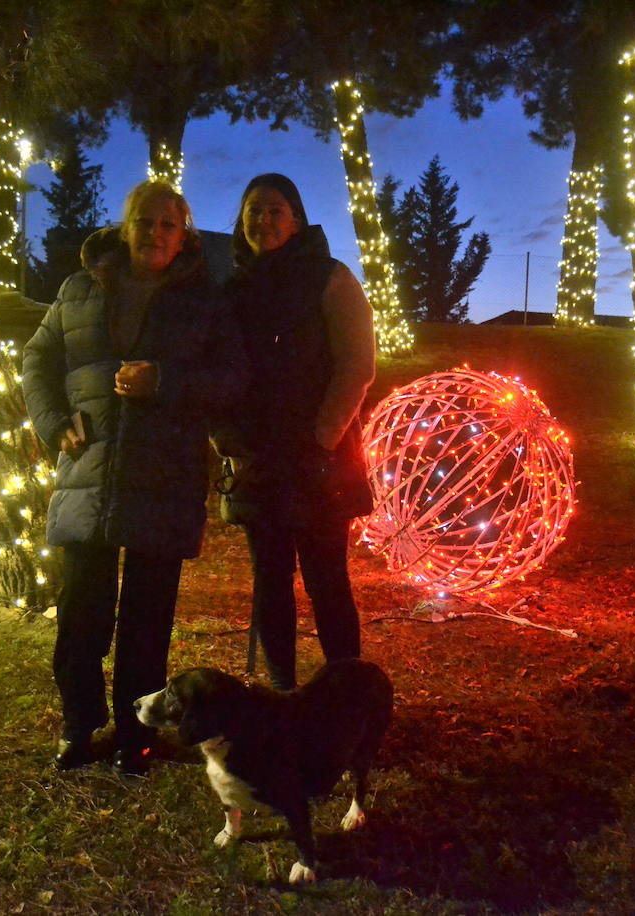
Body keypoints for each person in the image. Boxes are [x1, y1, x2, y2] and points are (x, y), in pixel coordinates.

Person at [22, 180, 247, 773]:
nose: (155, 233)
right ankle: (78, 727)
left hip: (164, 475)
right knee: (80, 615)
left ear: (183, 236)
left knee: (147, 622)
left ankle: (136, 735)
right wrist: (52, 421)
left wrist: (164, 382)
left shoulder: (205, 301)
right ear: (126, 228)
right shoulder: (78, 289)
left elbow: (232, 377)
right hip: (89, 472)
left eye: (169, 224)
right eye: (145, 221)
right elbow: (38, 357)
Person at [212, 173, 377, 691]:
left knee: (327, 578)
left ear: (297, 220)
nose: (263, 220)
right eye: (254, 210)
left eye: (275, 210)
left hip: (317, 460)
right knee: (271, 580)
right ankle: (282, 691)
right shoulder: (231, 290)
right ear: (241, 221)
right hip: (257, 459)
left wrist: (323, 437)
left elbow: (357, 363)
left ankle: (346, 693)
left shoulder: (329, 278)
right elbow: (218, 369)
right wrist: (228, 440)